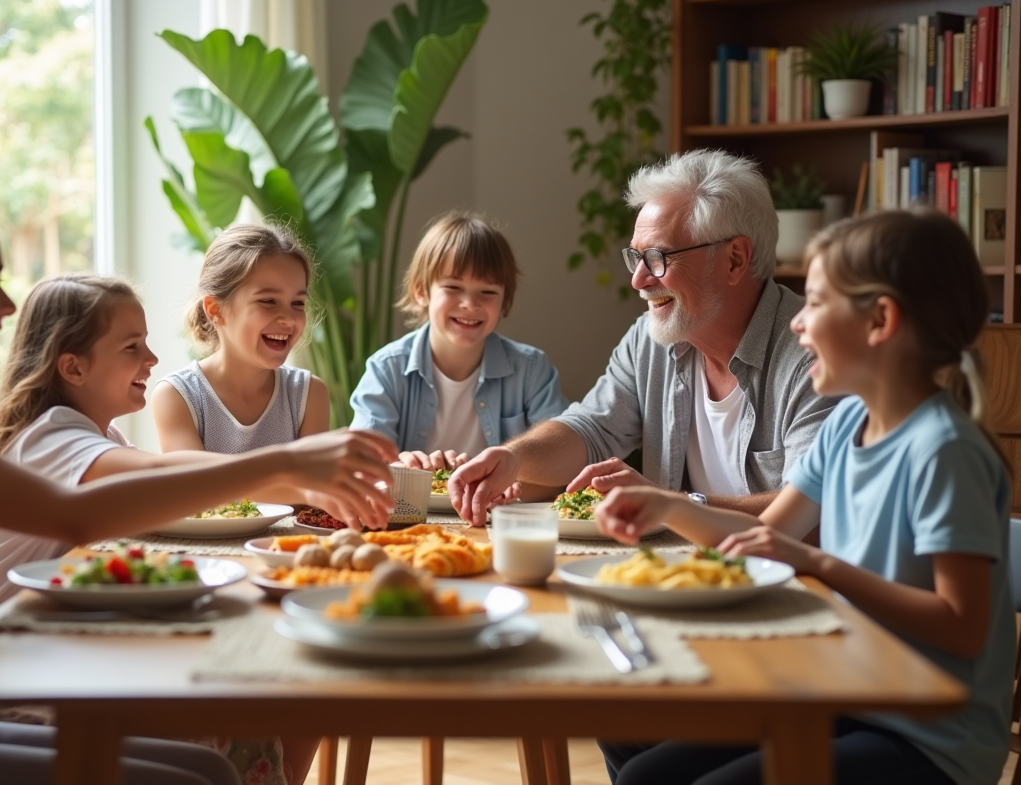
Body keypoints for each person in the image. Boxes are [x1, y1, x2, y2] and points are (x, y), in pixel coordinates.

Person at [0, 184, 396, 785]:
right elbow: (76, 514)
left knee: (207, 768)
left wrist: (284, 467)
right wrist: (284, 465)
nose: (7, 305)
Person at [594, 211, 1013, 785]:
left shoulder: (944, 451)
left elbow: (961, 626)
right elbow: (770, 536)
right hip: (845, 697)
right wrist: (667, 506)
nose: (797, 323)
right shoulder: (847, 426)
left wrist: (818, 564)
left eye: (814, 304)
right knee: (644, 769)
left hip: (930, 738)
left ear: (880, 321)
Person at [0, 272, 330, 785]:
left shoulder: (97, 435)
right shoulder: (50, 436)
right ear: (73, 367)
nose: (152, 358)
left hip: (41, 650)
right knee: (242, 712)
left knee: (266, 693)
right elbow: (164, 471)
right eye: (132, 347)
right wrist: (292, 464)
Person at [449, 149, 837, 525]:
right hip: (676, 565)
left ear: (734, 259)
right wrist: (514, 457)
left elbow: (813, 517)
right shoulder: (650, 339)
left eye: (658, 257)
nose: (638, 280)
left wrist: (672, 506)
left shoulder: (819, 357)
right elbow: (591, 430)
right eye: (637, 257)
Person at [350, 211, 568, 472]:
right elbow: (363, 464)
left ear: (504, 301)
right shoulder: (386, 369)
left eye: (488, 292)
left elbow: (560, 455)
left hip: (498, 500)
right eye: (453, 287)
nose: (470, 304)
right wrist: (401, 467)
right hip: (411, 500)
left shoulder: (530, 369)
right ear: (421, 291)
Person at [152, 225, 327, 455]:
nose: (288, 319)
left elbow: (313, 480)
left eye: (297, 303)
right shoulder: (177, 396)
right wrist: (287, 465)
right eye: (268, 301)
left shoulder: (308, 394)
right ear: (215, 310)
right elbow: (193, 479)